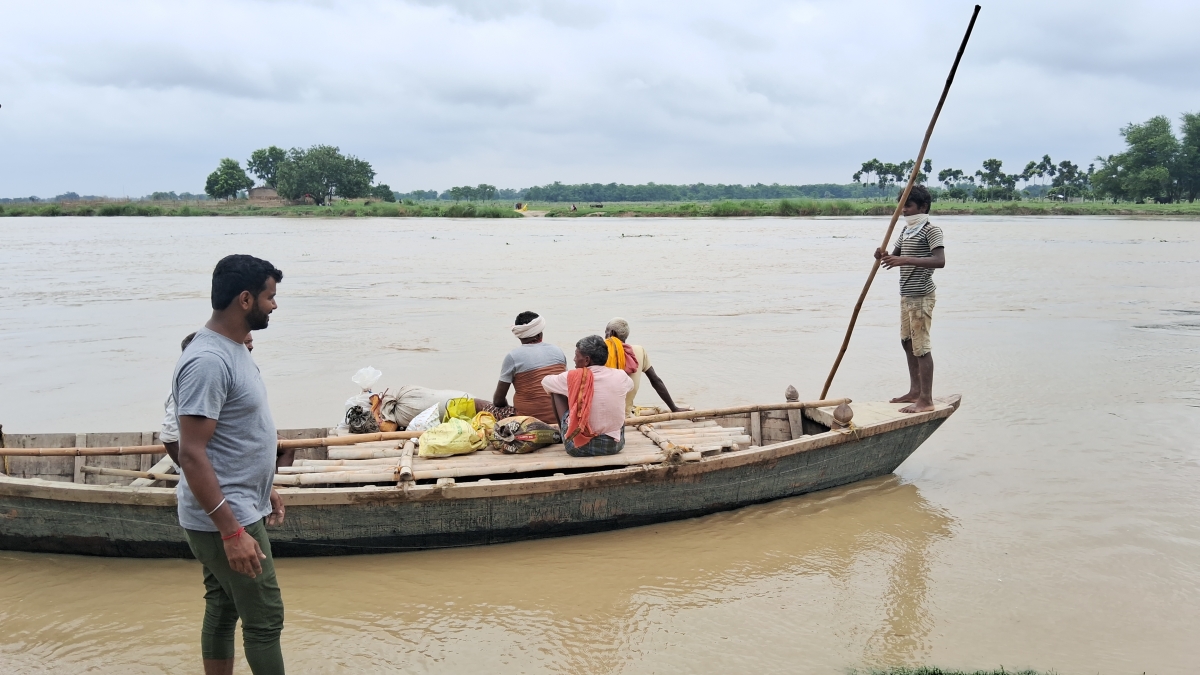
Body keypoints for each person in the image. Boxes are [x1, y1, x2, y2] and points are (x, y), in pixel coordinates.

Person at [174, 254, 287, 675]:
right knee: (265, 619)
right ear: (245, 299)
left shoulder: (234, 349)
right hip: (228, 515)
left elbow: (236, 436)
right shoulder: (208, 361)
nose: (274, 305)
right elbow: (191, 453)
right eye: (269, 296)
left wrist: (265, 485)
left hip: (239, 504)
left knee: (223, 607)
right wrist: (233, 532)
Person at [875, 185, 945, 413]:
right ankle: (915, 391)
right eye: (902, 206)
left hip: (921, 296)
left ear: (922, 207)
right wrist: (882, 255)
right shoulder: (906, 231)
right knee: (907, 342)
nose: (903, 210)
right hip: (906, 294)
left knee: (921, 347)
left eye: (908, 205)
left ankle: (926, 400)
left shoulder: (931, 230)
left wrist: (904, 260)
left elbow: (939, 260)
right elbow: (893, 256)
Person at [163, 332, 257, 467]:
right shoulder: (191, 388)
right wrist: (189, 471)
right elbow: (169, 437)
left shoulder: (222, 379)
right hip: (209, 467)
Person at [542, 335, 633, 457]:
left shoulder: (571, 376)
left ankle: (567, 437)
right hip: (615, 445)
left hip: (579, 448)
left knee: (556, 390)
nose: (574, 359)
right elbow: (630, 386)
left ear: (586, 360)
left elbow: (545, 382)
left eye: (576, 356)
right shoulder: (621, 375)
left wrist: (574, 388)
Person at [603, 318, 690, 415]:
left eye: (606, 332)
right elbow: (655, 381)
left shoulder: (601, 352)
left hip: (603, 416)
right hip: (625, 415)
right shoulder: (639, 351)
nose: (605, 336)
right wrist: (674, 408)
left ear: (612, 333)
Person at [492, 311, 567, 423]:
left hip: (527, 421)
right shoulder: (558, 351)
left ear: (519, 336)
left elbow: (498, 401)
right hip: (562, 418)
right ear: (539, 334)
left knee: (480, 404)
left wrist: (508, 409)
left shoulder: (513, 356)